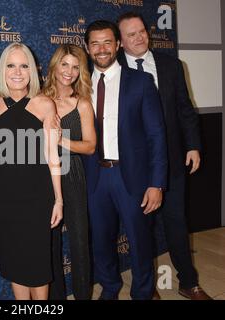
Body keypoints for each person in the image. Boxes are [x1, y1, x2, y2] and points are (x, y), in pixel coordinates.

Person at [117, 12, 212, 300]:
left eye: (142, 31)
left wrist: (193, 146)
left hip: (171, 162)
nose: (139, 37)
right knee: (139, 229)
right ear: (120, 42)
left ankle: (188, 282)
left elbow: (185, 109)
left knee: (176, 223)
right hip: (132, 166)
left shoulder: (171, 65)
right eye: (131, 34)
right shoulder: (112, 70)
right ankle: (146, 287)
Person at [83, 20, 167, 300]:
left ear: (118, 44)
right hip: (94, 177)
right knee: (101, 242)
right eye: (95, 43)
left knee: (140, 242)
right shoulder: (79, 85)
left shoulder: (141, 82)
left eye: (107, 42)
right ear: (87, 47)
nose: (102, 48)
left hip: (132, 177)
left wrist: (156, 183)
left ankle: (142, 293)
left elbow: (157, 136)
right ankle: (110, 288)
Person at [0, 42, 63, 300]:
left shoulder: (44, 104)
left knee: (39, 261)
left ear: (32, 71)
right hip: (4, 196)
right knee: (14, 258)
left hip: (38, 195)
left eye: (23, 66)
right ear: (2, 70)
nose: (17, 72)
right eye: (11, 65)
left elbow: (53, 155)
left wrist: (58, 199)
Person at [42, 44, 96, 300]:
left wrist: (61, 141)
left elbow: (90, 146)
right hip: (43, 175)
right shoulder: (39, 99)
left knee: (79, 242)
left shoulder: (82, 103)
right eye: (65, 64)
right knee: (49, 244)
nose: (70, 71)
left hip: (73, 173)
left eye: (76, 67)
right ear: (55, 65)